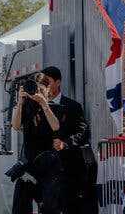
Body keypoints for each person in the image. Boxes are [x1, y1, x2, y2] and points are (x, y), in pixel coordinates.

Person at [39, 66, 96, 214]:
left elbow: (83, 131)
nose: (44, 86)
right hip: (46, 170)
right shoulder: (37, 108)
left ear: (58, 82)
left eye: (47, 82)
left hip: (68, 170)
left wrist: (66, 143)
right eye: (42, 82)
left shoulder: (72, 106)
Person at [11, 74, 62, 214]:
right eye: (35, 90)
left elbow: (56, 126)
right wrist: (20, 103)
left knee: (49, 205)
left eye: (41, 89)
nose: (37, 93)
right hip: (29, 162)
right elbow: (15, 126)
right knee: (20, 204)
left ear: (47, 89)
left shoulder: (54, 108)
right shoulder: (26, 107)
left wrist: (44, 103)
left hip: (48, 163)